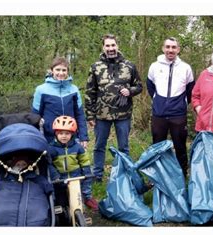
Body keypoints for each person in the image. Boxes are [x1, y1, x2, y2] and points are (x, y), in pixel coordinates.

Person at [85, 34, 143, 182]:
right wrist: (90, 115)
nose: (110, 48)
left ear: (117, 46)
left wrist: (130, 91)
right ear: (103, 47)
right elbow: (90, 92)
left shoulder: (129, 66)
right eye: (107, 46)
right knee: (99, 146)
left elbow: (139, 86)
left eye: (113, 45)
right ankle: (97, 175)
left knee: (123, 146)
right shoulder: (96, 67)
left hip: (123, 114)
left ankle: (125, 173)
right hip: (102, 115)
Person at [147, 37, 195, 176]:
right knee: (157, 145)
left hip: (178, 114)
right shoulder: (154, 66)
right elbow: (150, 86)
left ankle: (182, 173)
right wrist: (157, 100)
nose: (170, 50)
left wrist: (183, 103)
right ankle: (158, 174)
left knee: (180, 145)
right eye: (168, 47)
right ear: (163, 48)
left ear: (178, 50)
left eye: (174, 47)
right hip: (159, 113)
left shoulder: (186, 68)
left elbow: (191, 89)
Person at [32, 56, 89, 147]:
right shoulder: (41, 90)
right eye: (57, 70)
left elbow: (80, 115)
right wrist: (35, 138)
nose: (61, 73)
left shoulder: (74, 89)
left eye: (64, 70)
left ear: (67, 71)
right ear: (52, 70)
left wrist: (83, 137)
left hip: (71, 136)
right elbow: (35, 116)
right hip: (49, 137)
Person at [48, 115, 99, 211]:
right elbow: (48, 163)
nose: (64, 136)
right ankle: (59, 209)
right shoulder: (52, 148)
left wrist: (86, 170)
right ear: (56, 134)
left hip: (75, 176)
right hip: (59, 178)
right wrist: (54, 174)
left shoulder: (77, 147)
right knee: (61, 201)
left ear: (72, 134)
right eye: (61, 133)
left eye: (67, 133)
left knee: (80, 192)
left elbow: (84, 160)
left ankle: (87, 197)